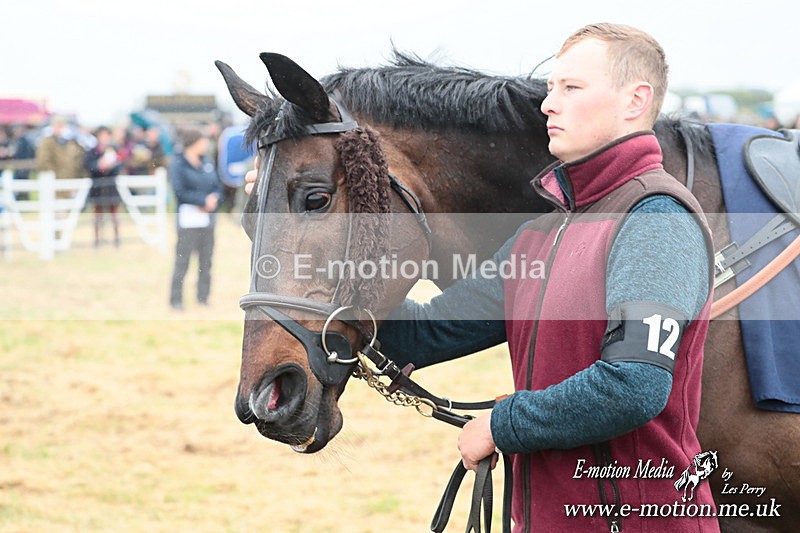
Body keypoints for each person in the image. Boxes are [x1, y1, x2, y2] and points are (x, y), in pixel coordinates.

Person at [243, 23, 717, 531]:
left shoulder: (655, 219)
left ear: (634, 101)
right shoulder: (541, 234)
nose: (548, 104)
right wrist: (303, 260)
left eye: (571, 88)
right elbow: (428, 331)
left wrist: (502, 425)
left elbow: (634, 387)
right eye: (552, 87)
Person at [168, 127, 223, 311]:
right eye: (203, 140)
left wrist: (214, 199)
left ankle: (203, 297)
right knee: (182, 261)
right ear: (193, 142)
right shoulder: (177, 164)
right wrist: (201, 201)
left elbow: (217, 186)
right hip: (188, 221)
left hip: (207, 220)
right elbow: (179, 192)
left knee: (206, 262)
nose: (206, 144)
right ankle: (176, 300)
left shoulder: (207, 163)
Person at [83, 126, 123, 247]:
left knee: (114, 215)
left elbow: (120, 165)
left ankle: (116, 239)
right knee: (97, 216)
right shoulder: (92, 151)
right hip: (97, 188)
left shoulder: (114, 150)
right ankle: (97, 240)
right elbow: (88, 166)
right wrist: (98, 166)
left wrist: (110, 166)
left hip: (111, 187)